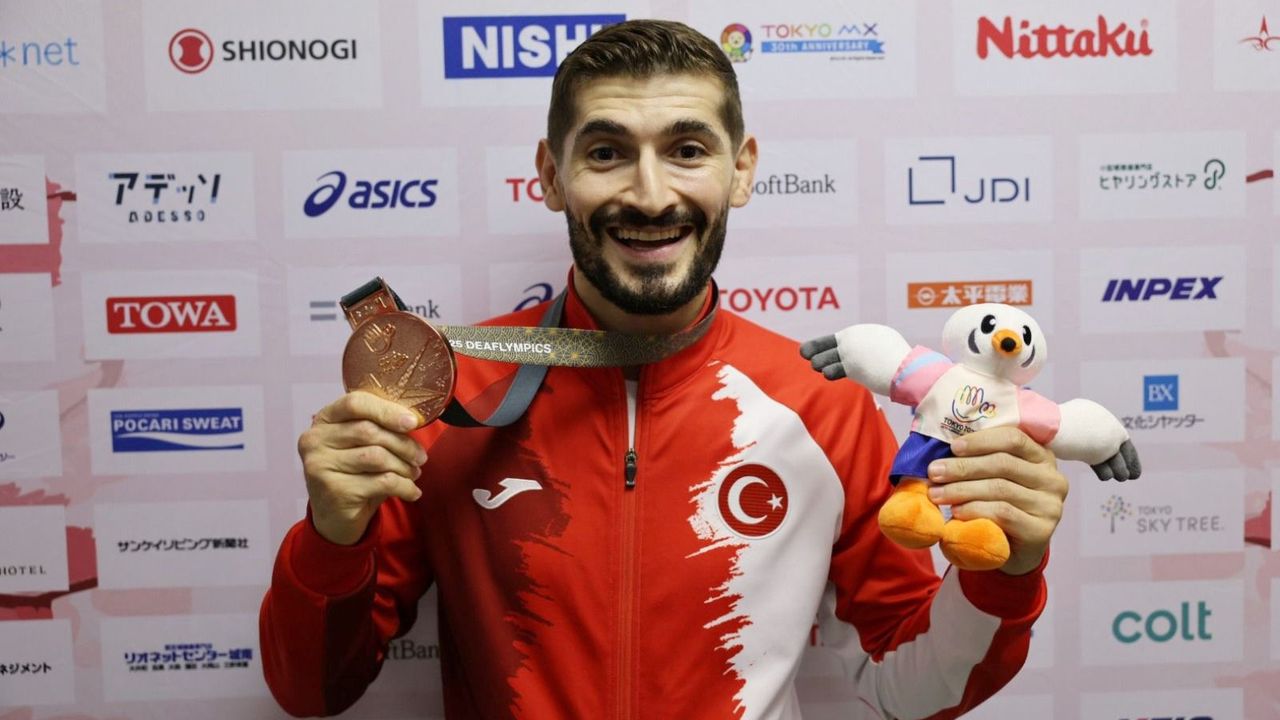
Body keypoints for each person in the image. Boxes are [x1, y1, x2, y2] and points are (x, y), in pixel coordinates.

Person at [260, 19, 1068, 720]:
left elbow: (912, 689)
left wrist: (1007, 571)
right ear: (551, 175)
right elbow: (313, 691)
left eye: (686, 150)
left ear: (741, 169)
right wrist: (331, 534)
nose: (650, 196)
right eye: (606, 153)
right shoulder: (452, 392)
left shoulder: (820, 406)